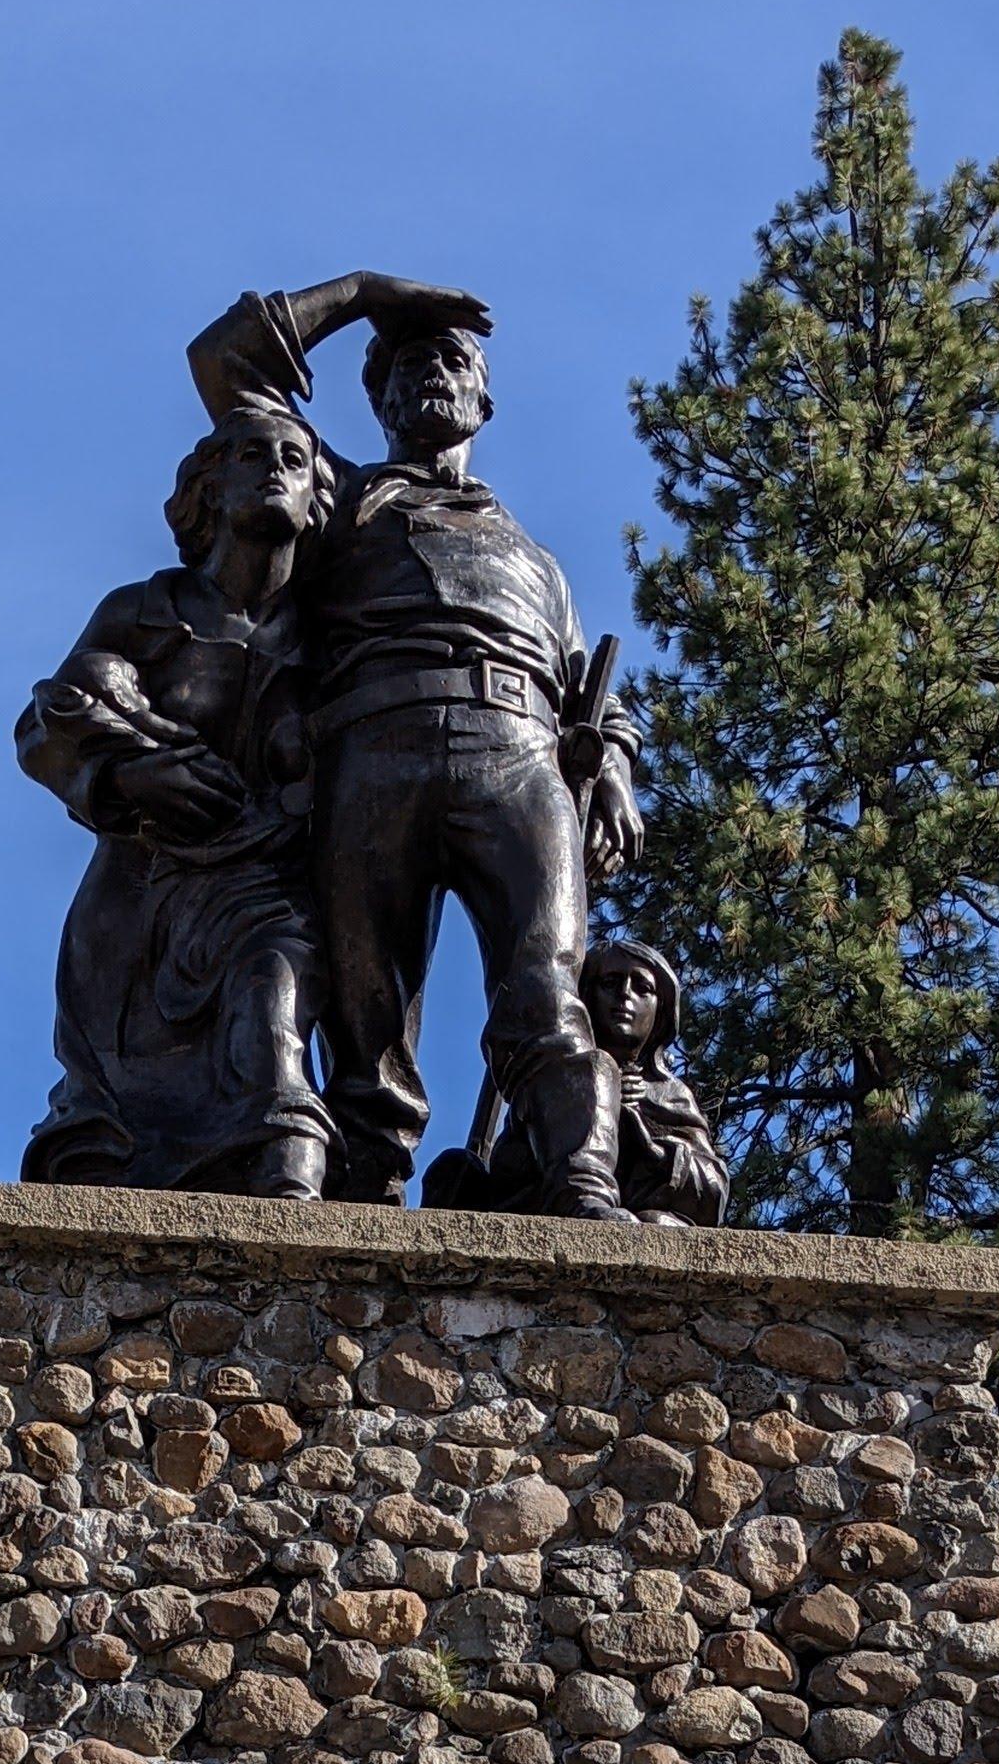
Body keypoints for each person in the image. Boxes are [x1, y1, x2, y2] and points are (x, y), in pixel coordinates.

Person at [186, 274, 643, 1214]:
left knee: (547, 990)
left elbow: (596, 698)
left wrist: (619, 773)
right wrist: (362, 293)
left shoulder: (539, 563)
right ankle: (364, 1196)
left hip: (521, 757)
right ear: (379, 397)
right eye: (407, 361)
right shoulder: (335, 494)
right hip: (370, 752)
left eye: (453, 358)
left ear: (483, 399)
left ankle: (583, 1179)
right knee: (365, 1020)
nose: (432, 369)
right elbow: (224, 364)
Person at [15, 395, 336, 1198]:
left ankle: (295, 1225)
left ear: (315, 499)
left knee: (272, 1019)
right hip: (137, 901)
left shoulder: (335, 632)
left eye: (294, 460)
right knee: (112, 1136)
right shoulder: (142, 612)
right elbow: (39, 730)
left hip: (266, 890)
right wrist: (124, 776)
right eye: (251, 455)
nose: (274, 471)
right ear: (210, 489)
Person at [433, 938, 729, 1224]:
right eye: (610, 983)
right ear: (586, 996)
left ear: (660, 1011)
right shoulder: (552, 1078)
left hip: (643, 1219)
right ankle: (581, 1199)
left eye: (642, 988)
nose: (625, 994)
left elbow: (713, 1193)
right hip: (536, 1209)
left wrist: (655, 1151)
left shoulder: (670, 1094)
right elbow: (510, 1167)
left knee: (659, 1226)